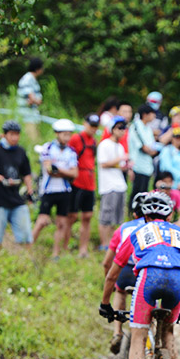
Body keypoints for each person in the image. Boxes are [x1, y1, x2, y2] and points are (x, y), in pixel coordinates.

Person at [99, 191, 180, 359]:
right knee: (169, 333)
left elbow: (112, 275)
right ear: (171, 214)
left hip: (148, 279)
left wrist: (105, 304)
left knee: (138, 336)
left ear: (143, 214)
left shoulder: (138, 231)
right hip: (177, 282)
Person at [102, 193, 147, 354]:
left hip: (125, 270)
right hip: (147, 272)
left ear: (134, 213)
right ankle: (151, 333)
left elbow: (107, 261)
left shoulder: (124, 228)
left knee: (120, 292)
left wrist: (110, 281)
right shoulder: (156, 228)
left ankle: (117, 332)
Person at [0, 120, 35, 248]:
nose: (15, 137)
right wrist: (2, 179)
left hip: (16, 198)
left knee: (25, 237)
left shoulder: (21, 152)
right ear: (5, 135)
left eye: (17, 134)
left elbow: (26, 173)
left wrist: (30, 189)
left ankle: (24, 263)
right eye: (12, 134)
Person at [32, 118, 79, 259]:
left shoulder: (71, 151)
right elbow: (49, 170)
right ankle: (28, 246)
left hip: (64, 191)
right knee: (42, 221)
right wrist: (64, 171)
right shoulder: (47, 148)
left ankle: (56, 253)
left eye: (69, 134)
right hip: (48, 190)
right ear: (57, 133)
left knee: (62, 223)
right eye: (64, 134)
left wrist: (59, 170)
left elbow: (74, 173)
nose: (67, 137)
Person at [68, 114, 100, 257]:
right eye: (91, 125)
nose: (93, 129)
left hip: (90, 182)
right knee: (72, 215)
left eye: (95, 126)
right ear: (84, 123)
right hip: (77, 181)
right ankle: (65, 244)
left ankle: (83, 249)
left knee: (87, 216)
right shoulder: (76, 138)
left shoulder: (94, 141)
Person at [96, 116, 130, 249]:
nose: (122, 131)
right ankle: (104, 243)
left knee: (117, 218)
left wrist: (126, 165)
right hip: (108, 185)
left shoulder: (120, 146)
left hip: (120, 184)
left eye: (124, 128)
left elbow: (119, 166)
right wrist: (119, 159)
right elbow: (103, 163)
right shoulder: (104, 144)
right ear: (112, 129)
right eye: (119, 128)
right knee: (106, 216)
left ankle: (111, 244)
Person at [128, 103, 159, 198]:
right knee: (136, 194)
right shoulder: (136, 127)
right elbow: (144, 147)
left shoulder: (149, 129)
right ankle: (131, 212)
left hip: (147, 167)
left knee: (144, 194)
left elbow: (152, 148)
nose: (154, 116)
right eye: (152, 114)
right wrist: (151, 151)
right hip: (137, 166)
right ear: (145, 115)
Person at [16, 57, 44, 141]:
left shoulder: (32, 79)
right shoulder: (28, 79)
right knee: (33, 139)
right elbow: (32, 99)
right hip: (27, 115)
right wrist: (37, 101)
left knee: (36, 136)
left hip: (32, 114)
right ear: (37, 69)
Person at [158, 126, 180, 191]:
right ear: (172, 138)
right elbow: (166, 168)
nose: (179, 139)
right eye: (177, 137)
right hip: (167, 187)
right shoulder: (166, 150)